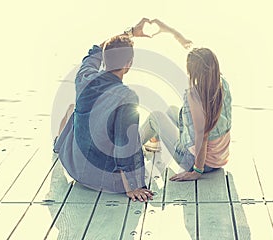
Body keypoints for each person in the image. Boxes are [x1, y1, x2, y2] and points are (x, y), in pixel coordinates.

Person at [54, 18, 156, 202]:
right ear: (128, 64)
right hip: (103, 179)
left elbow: (94, 52)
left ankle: (57, 146)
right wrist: (133, 187)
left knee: (72, 109)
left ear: (104, 58)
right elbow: (124, 144)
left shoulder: (84, 77)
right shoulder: (127, 96)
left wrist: (131, 32)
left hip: (75, 168)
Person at [140, 19, 232, 181]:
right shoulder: (220, 82)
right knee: (171, 110)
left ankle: (123, 152)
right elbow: (201, 56)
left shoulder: (194, 96)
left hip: (199, 163)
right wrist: (171, 31)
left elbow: (201, 136)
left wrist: (196, 171)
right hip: (219, 158)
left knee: (156, 116)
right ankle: (154, 141)